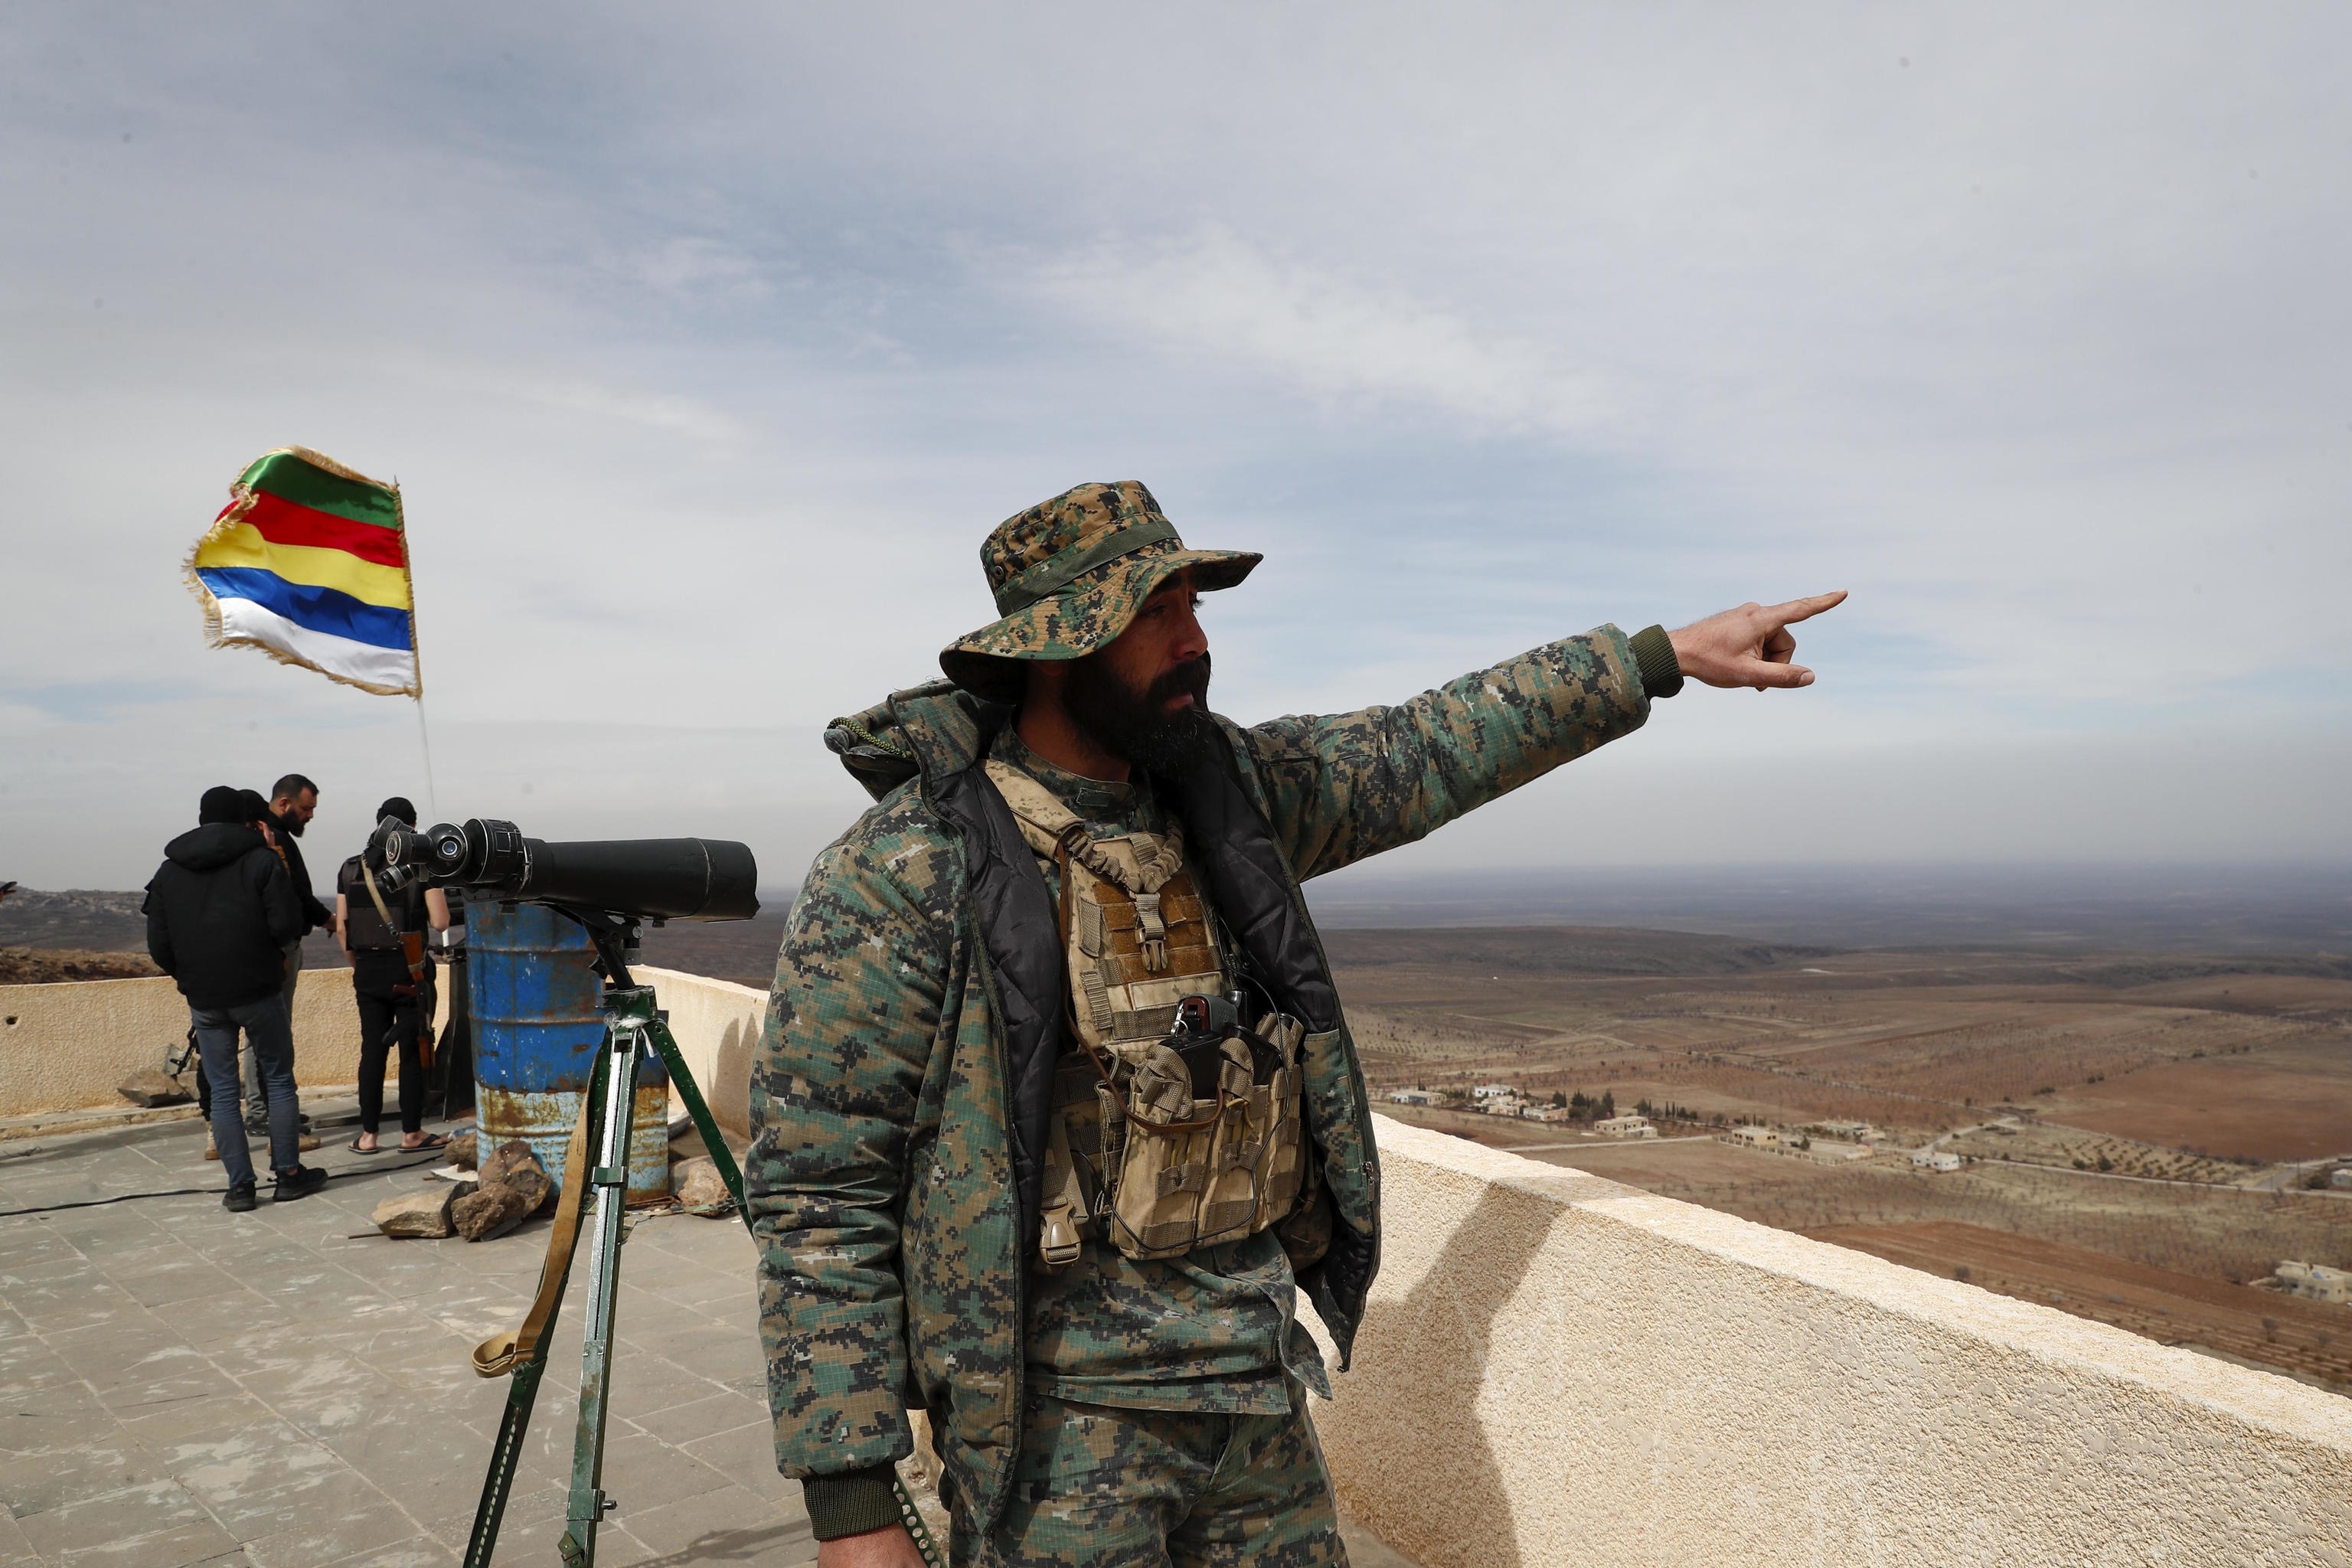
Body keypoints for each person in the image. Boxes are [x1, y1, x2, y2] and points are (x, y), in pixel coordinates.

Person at [747, 481, 1844, 1566]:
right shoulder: (907, 870)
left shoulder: (1233, 798)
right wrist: (856, 1508)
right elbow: (820, 1197)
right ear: (1059, 648)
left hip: (1255, 1395)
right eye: (1155, 614)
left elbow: (1432, 746)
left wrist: (1659, 657)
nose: (1193, 640)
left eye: (1195, 605)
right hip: (1053, 1439)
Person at [144, 785, 328, 1210]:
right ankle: (288, 1175)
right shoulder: (261, 859)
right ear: (247, 820)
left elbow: (159, 945)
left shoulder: (169, 871)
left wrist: (189, 976)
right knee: (279, 1079)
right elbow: (286, 924)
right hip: (259, 990)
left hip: (205, 998)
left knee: (224, 1091)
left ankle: (240, 1187)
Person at [336, 796, 450, 1154]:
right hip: (409, 972)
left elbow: (343, 930)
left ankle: (368, 1136)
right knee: (412, 1051)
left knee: (372, 1051)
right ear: (413, 828)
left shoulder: (352, 868)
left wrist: (361, 967)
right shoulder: (420, 867)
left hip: (368, 973)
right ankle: (411, 1133)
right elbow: (441, 921)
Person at [242, 773, 333, 1134]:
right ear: (284, 804)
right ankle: (264, 1113)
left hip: (272, 947)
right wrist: (331, 921)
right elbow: (293, 895)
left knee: (268, 1032)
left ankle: (272, 1109)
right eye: (306, 808)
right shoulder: (273, 840)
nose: (309, 816)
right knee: (267, 1033)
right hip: (276, 949)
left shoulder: (270, 838)